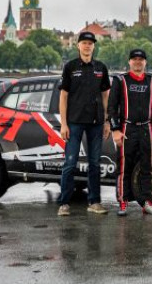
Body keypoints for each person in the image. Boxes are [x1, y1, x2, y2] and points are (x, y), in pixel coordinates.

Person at [57, 31, 111, 216]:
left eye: (90, 43)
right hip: (74, 123)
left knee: (94, 163)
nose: (87, 46)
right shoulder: (70, 67)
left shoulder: (101, 68)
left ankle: (94, 202)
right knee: (70, 163)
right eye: (84, 43)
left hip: (96, 123)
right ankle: (64, 203)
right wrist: (63, 124)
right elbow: (63, 97)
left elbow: (106, 96)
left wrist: (107, 121)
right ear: (78, 46)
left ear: (94, 46)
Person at [108, 49, 152, 216]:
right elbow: (111, 107)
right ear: (129, 62)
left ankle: (147, 202)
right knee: (124, 167)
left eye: (141, 59)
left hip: (147, 128)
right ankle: (123, 202)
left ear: (145, 62)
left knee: (148, 167)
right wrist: (115, 130)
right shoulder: (120, 80)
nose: (138, 62)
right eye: (134, 59)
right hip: (127, 128)